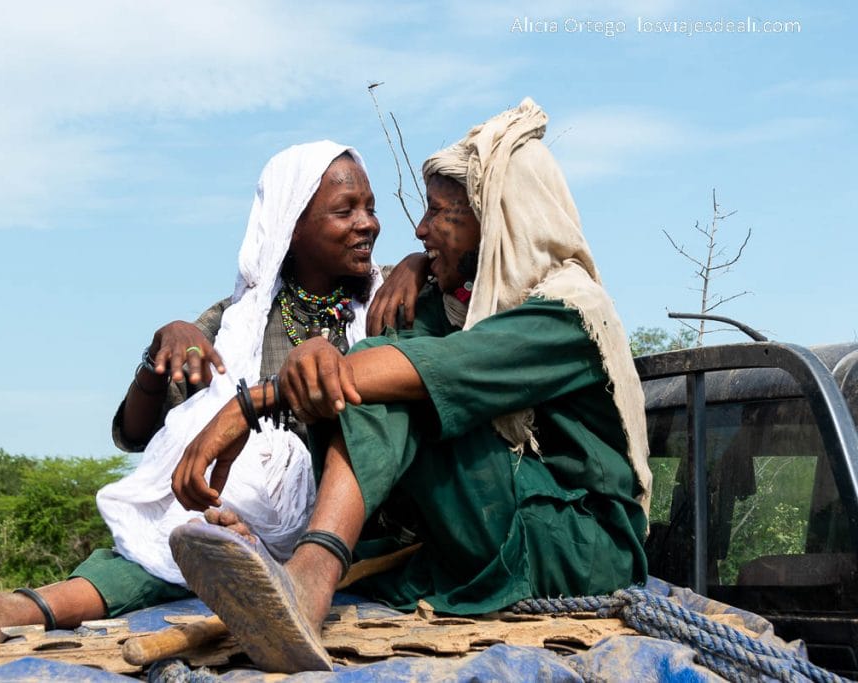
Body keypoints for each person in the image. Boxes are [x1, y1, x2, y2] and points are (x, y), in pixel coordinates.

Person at [0, 140, 399, 642]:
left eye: (370, 208)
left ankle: (251, 559)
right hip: (226, 510)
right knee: (160, 546)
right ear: (290, 226)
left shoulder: (385, 303)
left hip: (337, 522)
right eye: (344, 210)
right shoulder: (235, 321)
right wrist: (157, 358)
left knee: (205, 541)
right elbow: (136, 434)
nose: (368, 224)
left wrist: (418, 265)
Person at [167, 98, 654, 673]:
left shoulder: (566, 315)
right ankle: (285, 564)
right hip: (514, 521)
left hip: (577, 547)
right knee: (385, 378)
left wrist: (248, 405)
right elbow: (381, 352)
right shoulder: (470, 304)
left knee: (395, 377)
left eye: (442, 214)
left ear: (496, 222)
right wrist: (415, 265)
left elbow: (411, 367)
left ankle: (309, 579)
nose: (420, 228)